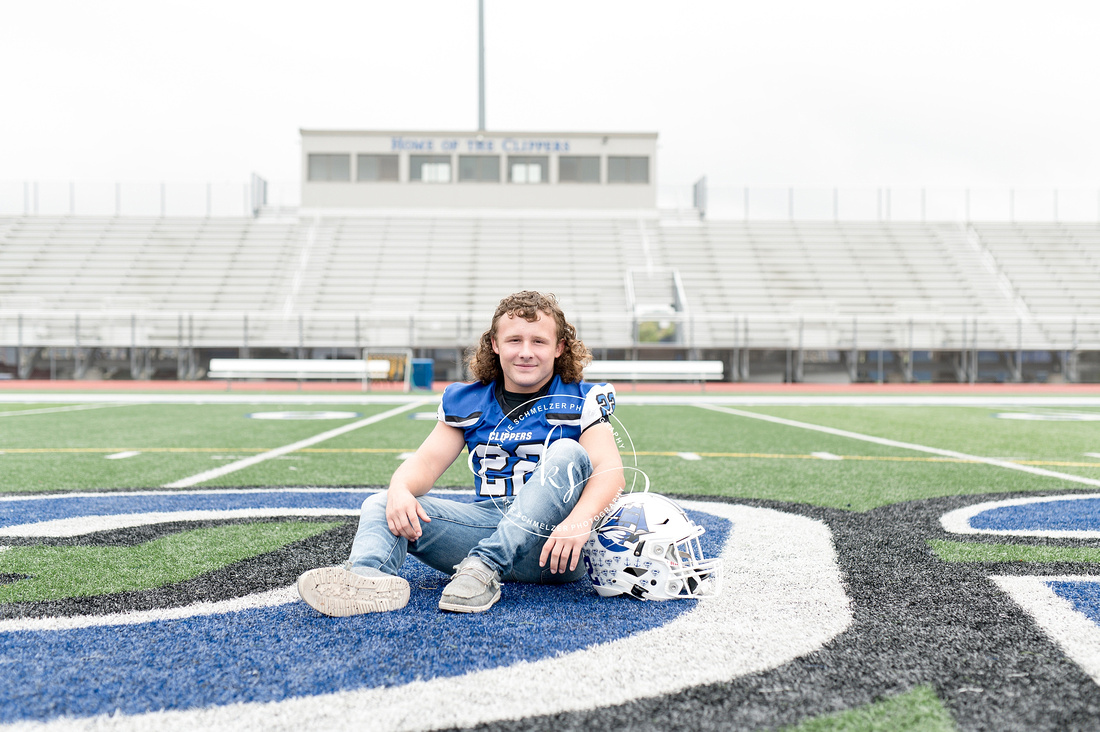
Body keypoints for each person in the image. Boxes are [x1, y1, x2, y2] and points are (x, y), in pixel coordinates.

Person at [298, 291, 624, 615]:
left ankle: (485, 566)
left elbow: (609, 469)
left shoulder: (582, 398)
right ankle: (366, 580)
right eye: (514, 341)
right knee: (383, 501)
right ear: (495, 345)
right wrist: (399, 489)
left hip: (553, 545)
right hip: (486, 529)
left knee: (567, 451)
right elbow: (425, 464)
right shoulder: (467, 400)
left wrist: (579, 521)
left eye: (538, 341)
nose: (525, 352)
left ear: (558, 348)